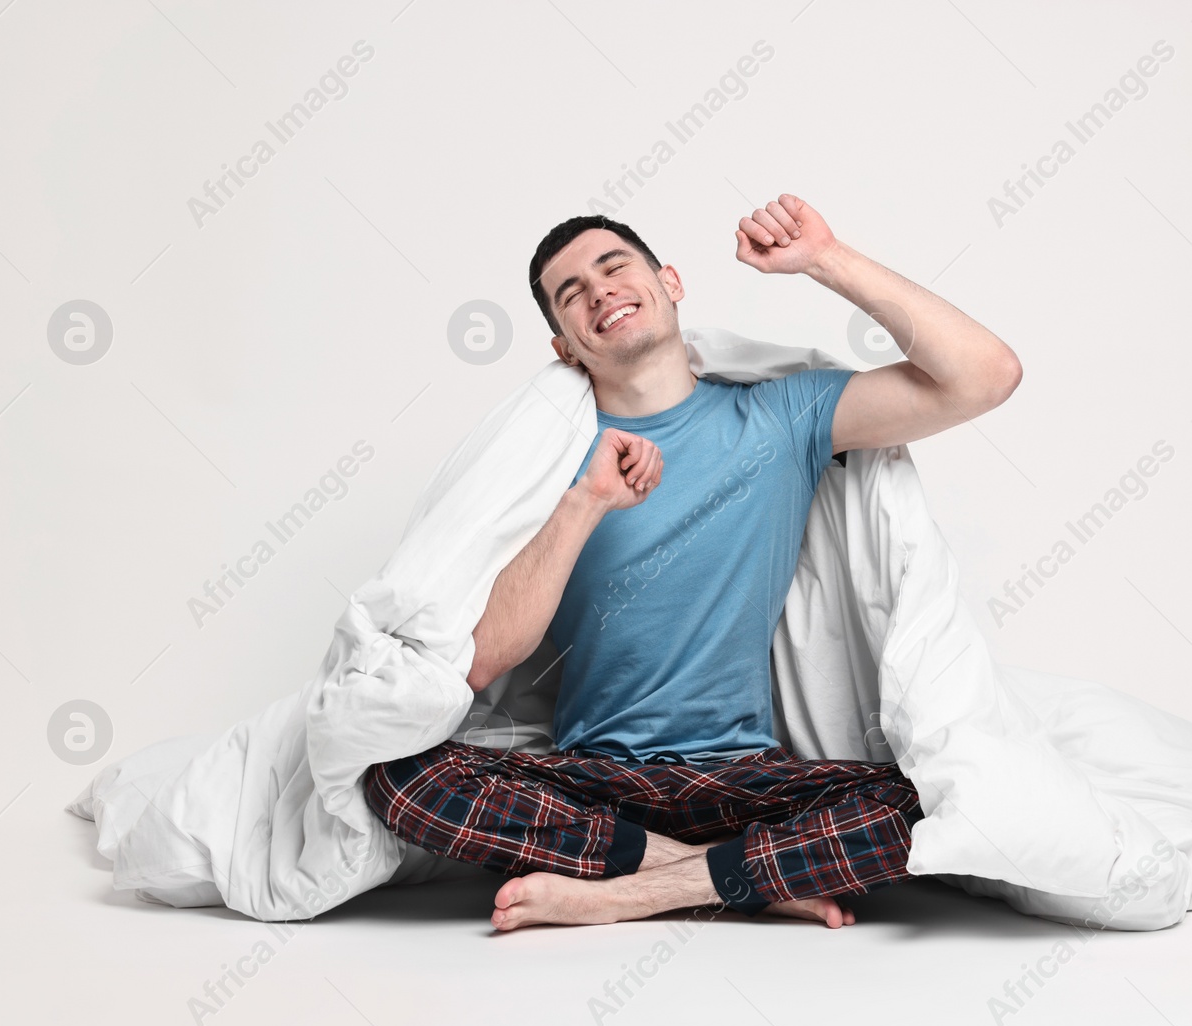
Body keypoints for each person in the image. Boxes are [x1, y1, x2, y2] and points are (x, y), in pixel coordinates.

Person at [365, 194, 1022, 931]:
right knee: (396, 773)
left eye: (614, 267)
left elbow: (985, 375)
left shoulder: (782, 418)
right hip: (592, 781)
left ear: (670, 282)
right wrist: (585, 501)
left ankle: (633, 892)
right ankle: (736, 874)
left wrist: (825, 259)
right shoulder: (543, 461)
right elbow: (477, 662)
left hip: (741, 776)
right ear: (565, 348)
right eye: (571, 294)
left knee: (930, 796)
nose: (600, 291)